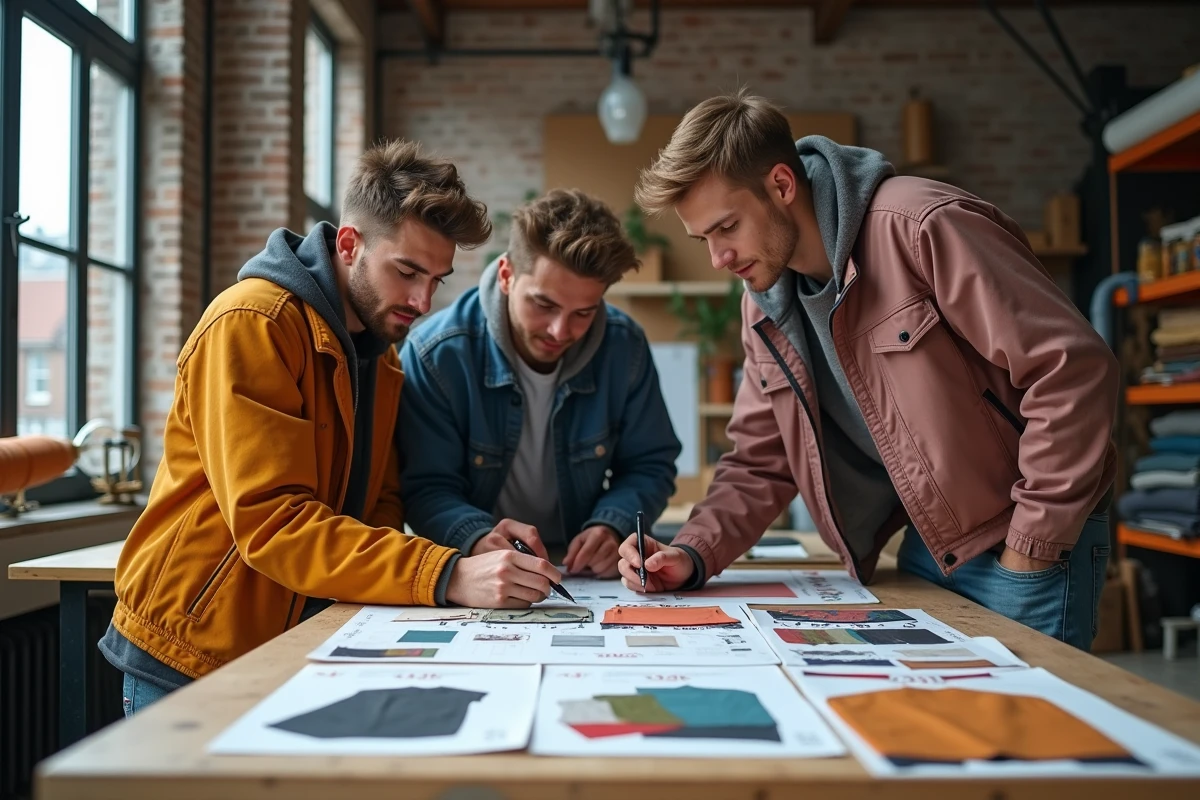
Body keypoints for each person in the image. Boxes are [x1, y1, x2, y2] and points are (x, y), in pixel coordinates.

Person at [618, 90, 1118, 651]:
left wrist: (1032, 541)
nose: (719, 259)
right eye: (703, 238)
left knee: (1042, 730)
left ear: (782, 186)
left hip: (1025, 543)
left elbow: (1071, 367)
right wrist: (690, 553)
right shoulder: (761, 302)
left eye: (727, 227)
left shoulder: (922, 226)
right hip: (930, 544)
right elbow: (761, 460)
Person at [99, 141, 563, 716]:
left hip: (305, 644)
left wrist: (468, 545)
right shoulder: (254, 323)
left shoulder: (381, 359)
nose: (421, 301)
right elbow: (274, 523)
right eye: (406, 271)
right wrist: (446, 572)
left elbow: (383, 503)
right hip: (194, 658)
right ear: (349, 244)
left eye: (436, 280)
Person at [398, 189, 681, 577]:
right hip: (477, 565)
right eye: (544, 305)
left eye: (584, 312)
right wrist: (476, 537)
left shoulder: (623, 346)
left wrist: (613, 524)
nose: (560, 330)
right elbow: (425, 485)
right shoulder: (436, 354)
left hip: (582, 570)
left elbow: (650, 464)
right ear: (506, 275)